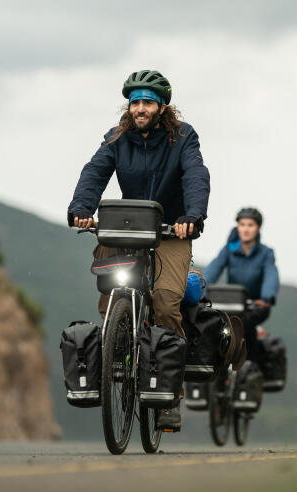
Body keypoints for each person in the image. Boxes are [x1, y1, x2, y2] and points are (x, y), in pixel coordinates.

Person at [67, 70, 210, 430]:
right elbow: (94, 172)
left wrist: (191, 216)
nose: (140, 109)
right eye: (135, 102)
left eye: (147, 102)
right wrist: (82, 209)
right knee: (111, 287)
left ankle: (169, 397)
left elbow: (195, 174)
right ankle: (114, 342)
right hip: (127, 227)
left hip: (171, 231)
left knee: (165, 299)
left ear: (162, 106)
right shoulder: (117, 138)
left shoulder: (183, 137)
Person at [204, 208, 279, 363]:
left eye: (250, 225)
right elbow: (213, 270)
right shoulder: (229, 250)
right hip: (231, 303)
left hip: (256, 305)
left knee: (246, 325)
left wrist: (267, 296)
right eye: (242, 224)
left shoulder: (266, 253)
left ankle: (249, 366)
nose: (246, 229)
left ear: (258, 228)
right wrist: (200, 289)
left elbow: (271, 274)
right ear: (237, 227)